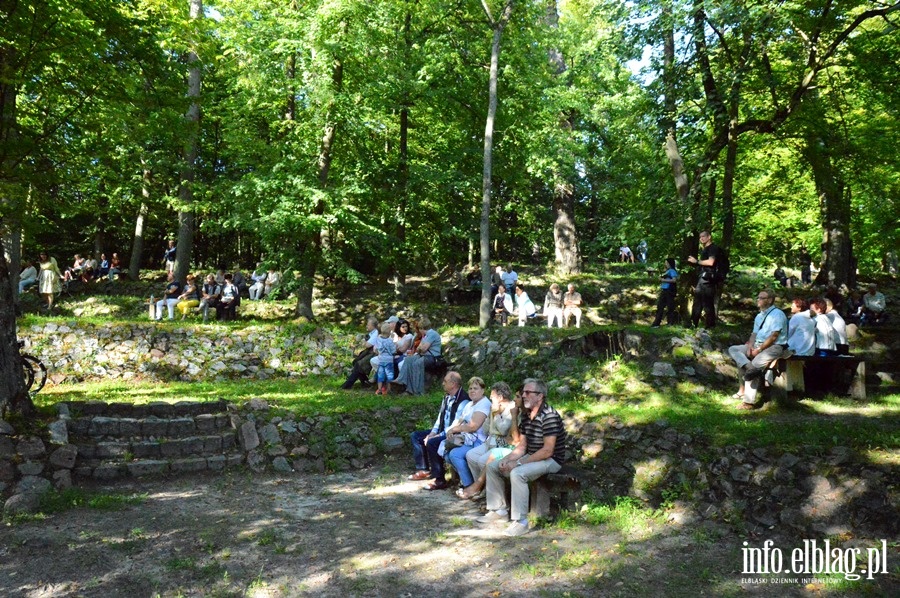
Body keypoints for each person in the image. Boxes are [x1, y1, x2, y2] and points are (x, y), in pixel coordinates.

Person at [478, 378, 567, 537]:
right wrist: (510, 458)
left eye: (528, 392)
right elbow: (522, 445)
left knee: (517, 473)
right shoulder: (527, 416)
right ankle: (499, 510)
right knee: (493, 466)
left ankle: (521, 522)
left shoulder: (549, 416)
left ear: (540, 396)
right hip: (532, 455)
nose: (523, 395)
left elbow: (547, 450)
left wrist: (518, 463)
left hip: (551, 460)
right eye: (523, 392)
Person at [407, 372, 470, 490]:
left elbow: (455, 424)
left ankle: (440, 479)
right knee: (416, 436)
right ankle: (424, 469)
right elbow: (440, 417)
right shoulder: (447, 397)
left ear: (453, 384)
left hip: (455, 433)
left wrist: (436, 436)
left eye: (445, 381)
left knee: (433, 442)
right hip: (442, 430)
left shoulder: (463, 401)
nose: (443, 384)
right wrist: (432, 433)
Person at [727, 288, 788, 410]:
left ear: (770, 300)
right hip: (757, 345)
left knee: (753, 368)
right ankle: (749, 367)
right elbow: (754, 333)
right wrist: (750, 346)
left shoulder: (778, 314)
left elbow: (774, 336)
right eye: (758, 297)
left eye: (761, 298)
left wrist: (758, 350)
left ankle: (749, 403)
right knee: (734, 349)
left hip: (773, 347)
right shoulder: (760, 315)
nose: (758, 300)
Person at [460, 381, 520, 500]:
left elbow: (503, 431)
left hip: (502, 443)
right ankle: (481, 487)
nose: (490, 398)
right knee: (471, 455)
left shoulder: (511, 409)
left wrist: (497, 415)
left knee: (483, 460)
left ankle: (487, 492)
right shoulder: (494, 408)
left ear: (500, 397)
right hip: (490, 441)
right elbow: (486, 430)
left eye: (492, 397)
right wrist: (491, 415)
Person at [446, 377, 492, 496]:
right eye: (470, 388)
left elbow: (473, 427)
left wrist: (455, 429)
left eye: (475, 388)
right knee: (446, 452)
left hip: (479, 441)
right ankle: (466, 481)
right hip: (467, 438)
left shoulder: (484, 404)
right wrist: (450, 430)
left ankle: (469, 485)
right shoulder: (470, 404)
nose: (472, 391)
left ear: (483, 390)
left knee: (454, 454)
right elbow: (460, 420)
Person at [392, 315, 442, 395]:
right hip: (423, 355)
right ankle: (401, 380)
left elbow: (423, 348)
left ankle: (415, 390)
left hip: (432, 357)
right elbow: (419, 348)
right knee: (409, 359)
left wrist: (420, 349)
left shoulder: (432, 334)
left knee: (416, 364)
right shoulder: (425, 336)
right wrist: (420, 349)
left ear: (422, 328)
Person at [687, 230, 721, 328]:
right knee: (698, 302)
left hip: (708, 279)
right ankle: (693, 325)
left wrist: (696, 261)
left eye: (703, 236)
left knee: (707, 303)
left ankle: (710, 326)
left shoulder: (713, 248)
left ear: (709, 237)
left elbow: (711, 262)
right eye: (700, 237)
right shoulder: (706, 249)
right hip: (703, 278)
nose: (701, 238)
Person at [341, 316, 379, 389]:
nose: (366, 326)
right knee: (356, 362)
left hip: (374, 353)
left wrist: (364, 342)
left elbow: (368, 345)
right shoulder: (372, 333)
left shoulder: (376, 333)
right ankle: (365, 383)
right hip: (369, 352)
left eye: (368, 324)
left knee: (359, 365)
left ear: (373, 326)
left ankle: (347, 385)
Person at [651, 258, 678, 328]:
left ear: (670, 263)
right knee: (660, 306)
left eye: (666, 263)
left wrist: (663, 280)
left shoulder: (672, 271)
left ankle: (670, 323)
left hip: (669, 291)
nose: (665, 264)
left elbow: (674, 280)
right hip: (664, 290)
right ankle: (656, 323)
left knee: (670, 307)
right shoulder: (667, 271)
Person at [372, 323, 398, 396]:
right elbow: (393, 351)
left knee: (380, 375)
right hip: (389, 361)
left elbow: (376, 349)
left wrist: (379, 353)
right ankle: (388, 389)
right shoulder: (390, 341)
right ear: (389, 332)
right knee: (389, 375)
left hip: (381, 360)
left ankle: (379, 389)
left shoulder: (378, 339)